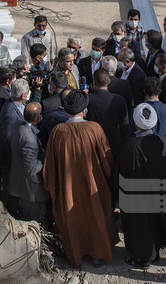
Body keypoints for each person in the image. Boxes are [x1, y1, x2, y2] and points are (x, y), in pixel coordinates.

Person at [43, 90, 117, 267]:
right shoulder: (94, 128)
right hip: (94, 184)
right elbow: (107, 159)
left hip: (67, 188)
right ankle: (98, 253)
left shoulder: (57, 132)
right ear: (84, 110)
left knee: (71, 218)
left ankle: (74, 254)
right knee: (96, 216)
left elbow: (50, 165)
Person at [118, 103, 166, 269]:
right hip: (157, 191)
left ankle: (143, 257)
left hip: (136, 196)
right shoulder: (161, 141)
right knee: (156, 222)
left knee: (140, 226)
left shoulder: (130, 146)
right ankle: (155, 252)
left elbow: (122, 172)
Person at [7, 102, 49, 225]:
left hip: (20, 182)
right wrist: (44, 157)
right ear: (38, 117)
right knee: (32, 220)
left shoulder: (18, 126)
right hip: (30, 189)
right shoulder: (29, 140)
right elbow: (31, 168)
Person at [0, 78, 31, 196]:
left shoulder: (17, 104)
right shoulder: (11, 114)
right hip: (11, 157)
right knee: (11, 186)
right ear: (23, 95)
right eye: (27, 92)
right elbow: (9, 138)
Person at [86, 68, 129, 158]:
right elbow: (125, 125)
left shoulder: (87, 99)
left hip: (93, 142)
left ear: (94, 82)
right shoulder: (119, 99)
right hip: (114, 143)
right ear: (108, 81)